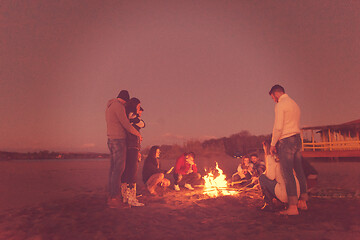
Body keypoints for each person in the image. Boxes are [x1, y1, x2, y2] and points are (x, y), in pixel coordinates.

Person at [269, 84, 308, 215]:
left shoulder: (280, 104)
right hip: (297, 139)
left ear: (276, 94)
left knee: (287, 173)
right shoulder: (294, 104)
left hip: (286, 140)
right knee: (299, 171)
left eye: (272, 97)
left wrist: (273, 144)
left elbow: (278, 127)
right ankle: (303, 202)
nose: (273, 100)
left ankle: (292, 207)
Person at [105, 90, 142, 208]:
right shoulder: (118, 106)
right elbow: (126, 124)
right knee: (118, 170)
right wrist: (138, 134)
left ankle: (111, 195)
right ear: (125, 100)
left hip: (111, 140)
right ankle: (114, 199)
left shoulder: (109, 107)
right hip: (118, 140)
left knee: (113, 170)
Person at [259, 140, 300, 212]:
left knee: (262, 178)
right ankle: (282, 203)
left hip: (285, 196)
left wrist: (267, 156)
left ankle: (268, 204)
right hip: (296, 195)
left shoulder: (273, 158)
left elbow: (270, 176)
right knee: (279, 181)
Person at [120, 97, 145, 207]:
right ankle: (132, 198)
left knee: (126, 170)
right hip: (132, 146)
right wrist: (137, 119)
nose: (140, 110)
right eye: (138, 107)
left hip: (128, 146)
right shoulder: (132, 117)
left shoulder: (125, 117)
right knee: (132, 171)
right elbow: (143, 124)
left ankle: (125, 196)